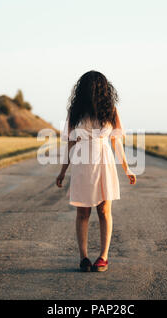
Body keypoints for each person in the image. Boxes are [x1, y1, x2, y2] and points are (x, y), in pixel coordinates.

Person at [56, 70, 136, 272]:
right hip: (82, 163)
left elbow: (116, 142)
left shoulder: (111, 110)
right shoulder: (74, 111)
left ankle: (103, 257)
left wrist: (127, 169)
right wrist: (62, 171)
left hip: (104, 162)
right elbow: (71, 143)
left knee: (104, 210)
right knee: (82, 211)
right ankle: (83, 257)